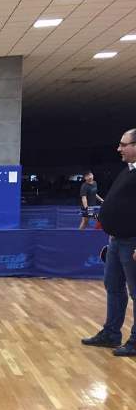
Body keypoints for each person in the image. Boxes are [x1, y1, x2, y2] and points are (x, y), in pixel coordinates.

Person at [82, 129, 136, 356]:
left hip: (132, 243)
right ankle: (111, 334)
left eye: (123, 144)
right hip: (116, 240)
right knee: (113, 286)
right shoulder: (128, 171)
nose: (119, 148)